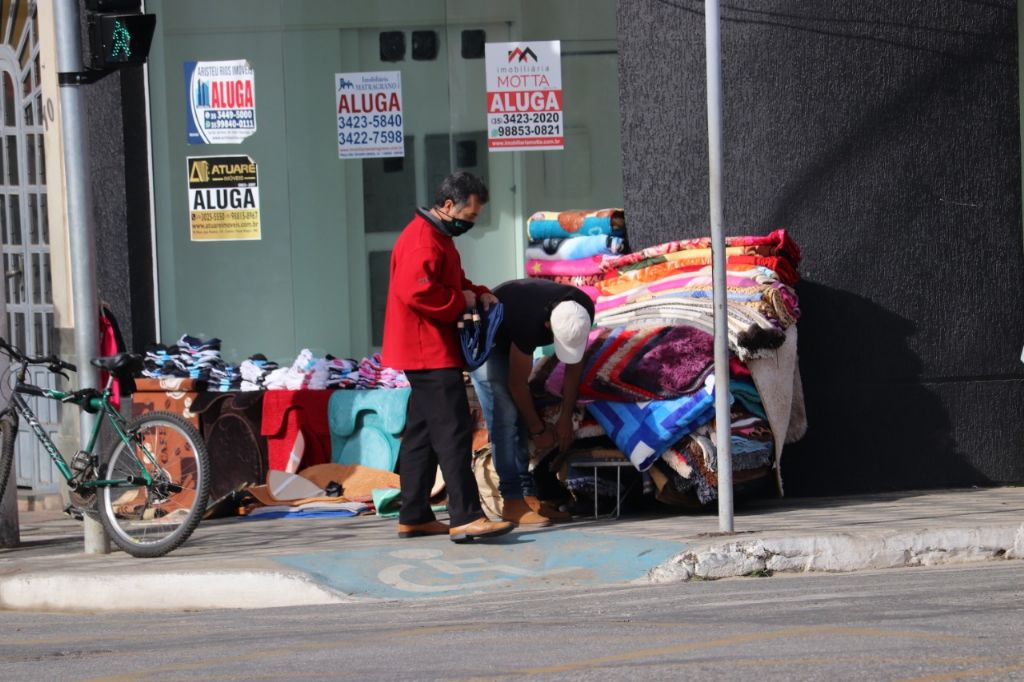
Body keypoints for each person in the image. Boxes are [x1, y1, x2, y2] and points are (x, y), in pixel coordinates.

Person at [381, 171, 513, 544]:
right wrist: (462, 301)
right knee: (453, 432)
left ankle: (415, 515)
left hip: (424, 348)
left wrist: (478, 292)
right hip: (429, 350)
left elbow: (450, 281)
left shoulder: (433, 235)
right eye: (469, 217)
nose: (469, 224)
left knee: (422, 435)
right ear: (449, 205)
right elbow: (418, 293)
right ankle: (466, 516)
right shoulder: (425, 240)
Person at [470, 278, 595, 526]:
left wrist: (565, 419)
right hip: (488, 337)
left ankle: (529, 497)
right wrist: (538, 429)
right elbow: (518, 385)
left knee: (518, 415)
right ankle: (513, 501)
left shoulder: (581, 309)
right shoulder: (529, 321)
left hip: (514, 324)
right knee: (506, 417)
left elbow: (573, 369)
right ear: (548, 325)